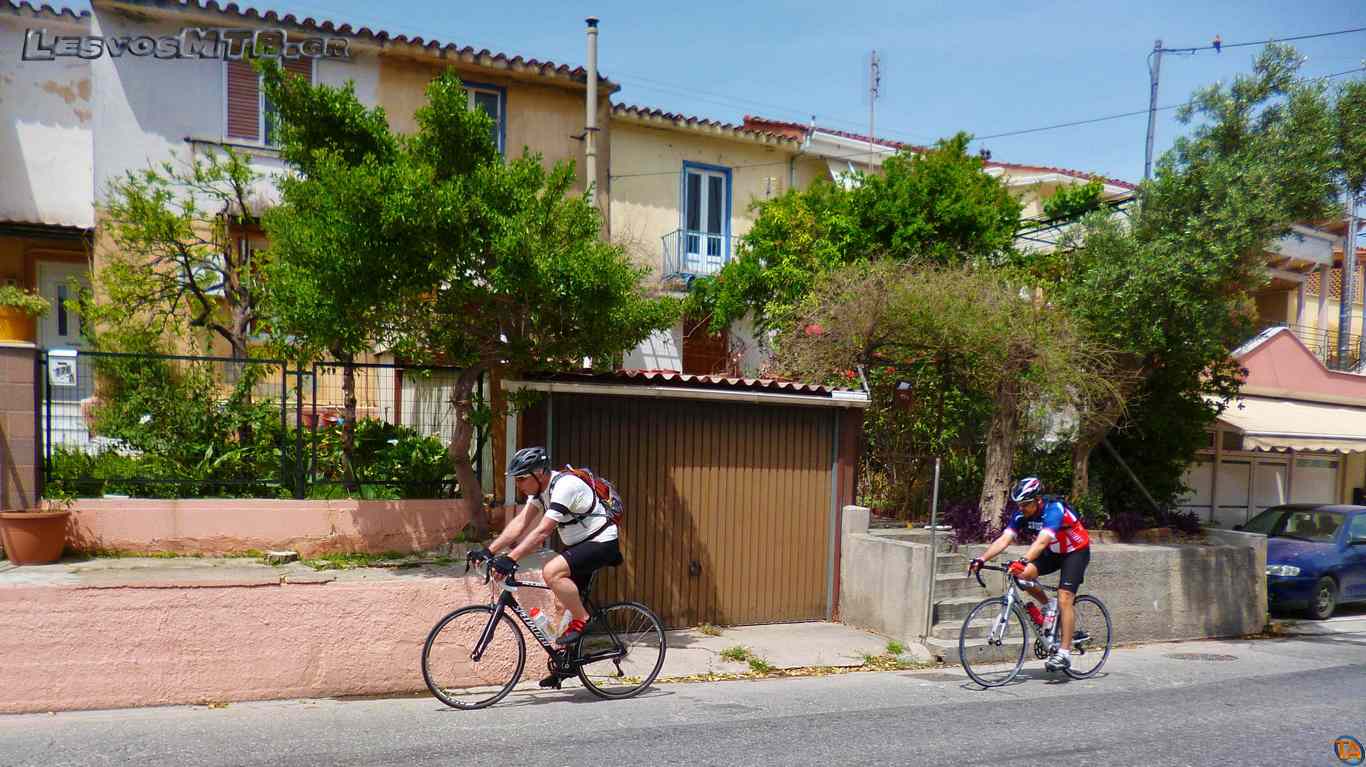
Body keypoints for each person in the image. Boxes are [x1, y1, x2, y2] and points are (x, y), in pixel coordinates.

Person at [469, 446, 622, 684]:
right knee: (561, 604)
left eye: (522, 478)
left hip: (601, 542)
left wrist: (511, 559)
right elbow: (520, 523)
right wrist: (489, 550)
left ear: (539, 473)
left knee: (551, 572)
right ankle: (565, 665)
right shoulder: (541, 493)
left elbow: (542, 531)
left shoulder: (565, 487)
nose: (518, 484)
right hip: (579, 546)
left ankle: (584, 618)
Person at [967, 476, 1091, 672]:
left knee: (1065, 596)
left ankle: (1064, 653)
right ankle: (1049, 605)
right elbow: (1004, 539)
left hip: (1075, 552)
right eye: (1019, 504)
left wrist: (1023, 560)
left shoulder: (1054, 509)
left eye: (1025, 504)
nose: (1021, 508)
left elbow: (1041, 542)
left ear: (1038, 500)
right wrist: (982, 559)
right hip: (1053, 552)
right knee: (1021, 575)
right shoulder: (1021, 514)